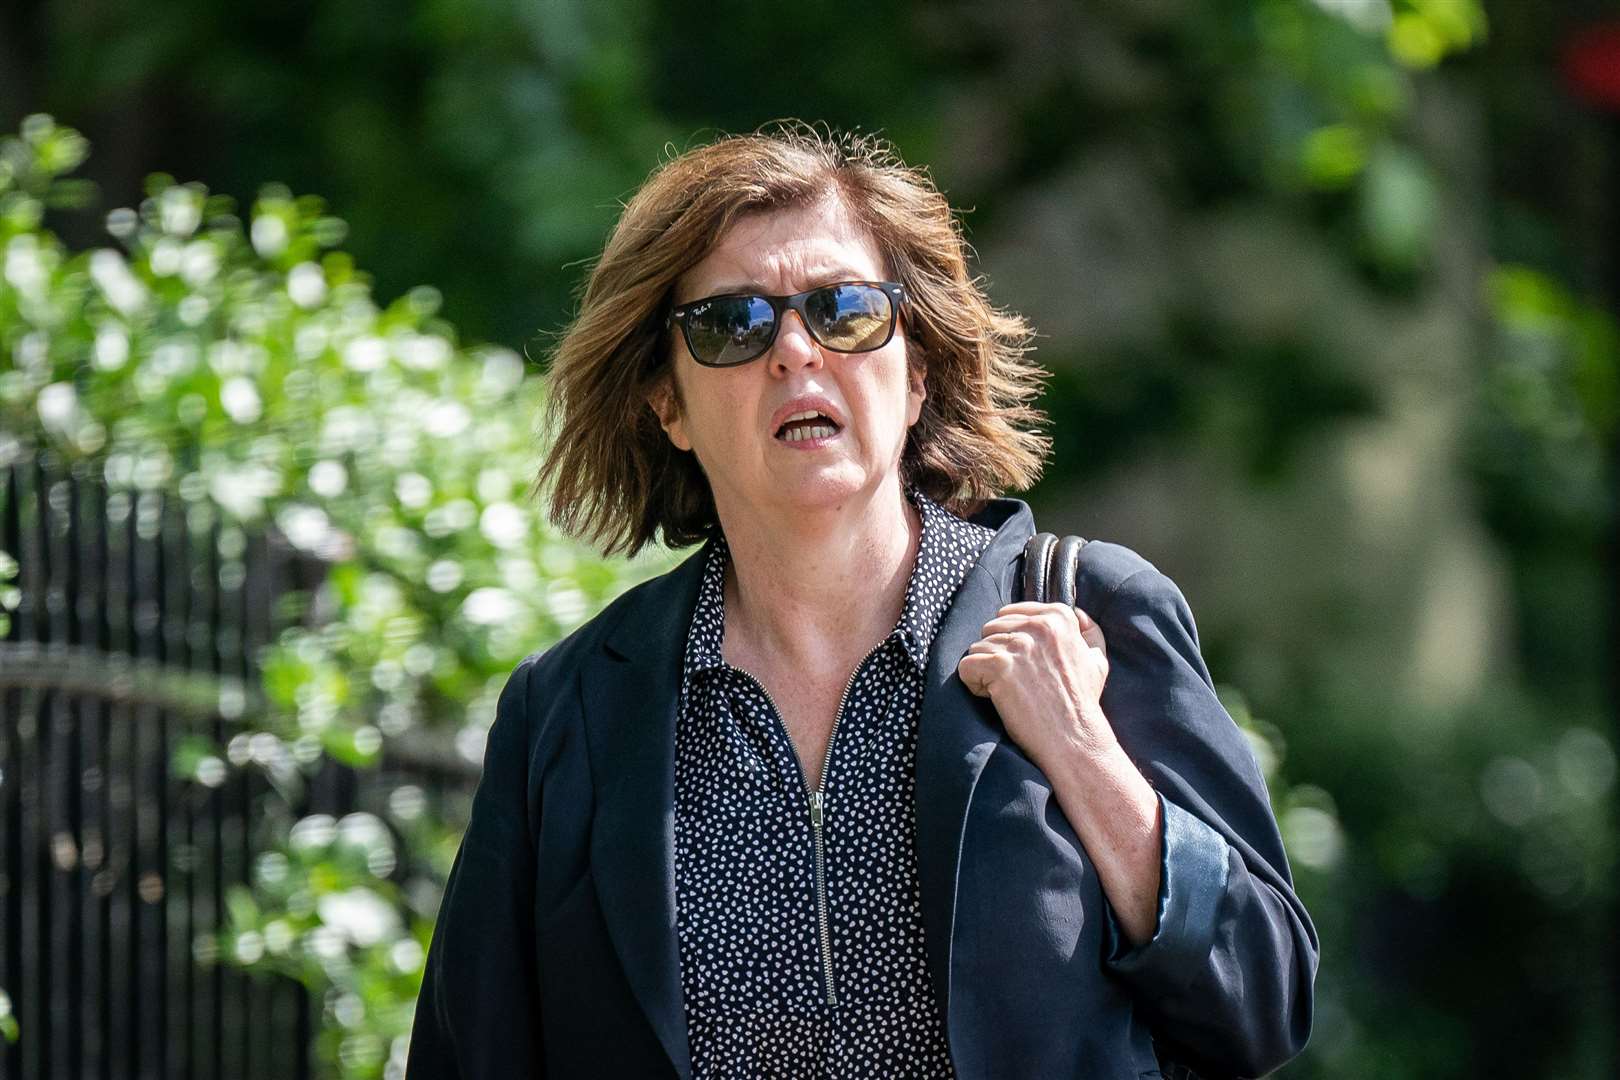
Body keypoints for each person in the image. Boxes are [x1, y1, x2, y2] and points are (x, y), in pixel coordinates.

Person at [404, 123, 1317, 1079]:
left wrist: (1085, 754)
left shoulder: (1091, 609)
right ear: (664, 404)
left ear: (916, 371)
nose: (796, 351)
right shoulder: (573, 711)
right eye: (731, 324)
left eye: (843, 311)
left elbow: (1263, 995)